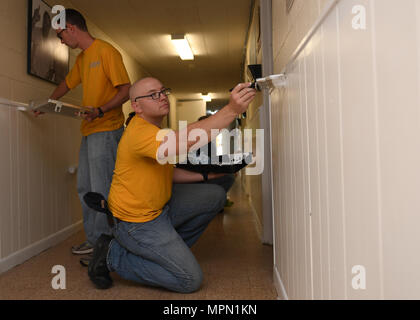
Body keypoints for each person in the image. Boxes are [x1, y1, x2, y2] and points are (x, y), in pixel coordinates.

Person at [88, 77, 256, 291]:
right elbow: (181, 141)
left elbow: (170, 173)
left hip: (160, 209)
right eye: (152, 94)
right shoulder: (139, 132)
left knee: (214, 195)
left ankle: (168, 257)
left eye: (162, 91)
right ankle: (112, 254)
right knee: (189, 280)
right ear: (136, 106)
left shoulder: (156, 130)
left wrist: (211, 175)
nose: (161, 97)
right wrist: (231, 110)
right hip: (135, 224)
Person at [35, 9, 131, 262]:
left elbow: (126, 90)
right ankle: (94, 240)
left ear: (71, 28)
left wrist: (101, 110)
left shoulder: (106, 51)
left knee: (102, 189)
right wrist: (47, 103)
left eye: (60, 35)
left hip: (107, 128)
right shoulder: (83, 59)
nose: (60, 40)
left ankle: (107, 243)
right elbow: (67, 83)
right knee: (85, 188)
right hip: (89, 130)